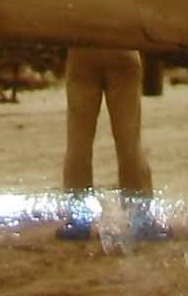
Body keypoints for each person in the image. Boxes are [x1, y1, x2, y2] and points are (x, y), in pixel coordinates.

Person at [57, 47, 167, 241]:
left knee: (78, 141)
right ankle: (139, 216)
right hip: (122, 49)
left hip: (82, 48)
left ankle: (78, 217)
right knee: (129, 141)